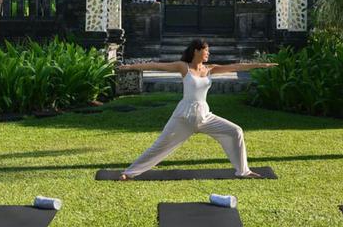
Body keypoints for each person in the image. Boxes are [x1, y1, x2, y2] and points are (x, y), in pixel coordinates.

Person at [116, 39, 276, 180]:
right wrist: (131, 66)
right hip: (183, 117)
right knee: (159, 145)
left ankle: (243, 171)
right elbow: (157, 65)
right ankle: (129, 172)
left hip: (205, 116)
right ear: (197, 50)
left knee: (236, 131)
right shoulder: (183, 67)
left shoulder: (210, 69)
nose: (208, 53)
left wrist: (261, 65)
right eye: (206, 50)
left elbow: (236, 67)